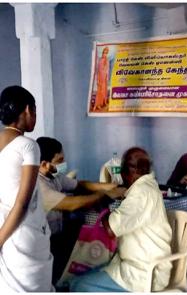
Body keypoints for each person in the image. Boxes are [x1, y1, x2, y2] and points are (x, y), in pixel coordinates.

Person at [70, 147, 172, 292]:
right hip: (133, 263)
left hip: (144, 272)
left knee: (79, 285)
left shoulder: (141, 193)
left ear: (130, 171)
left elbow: (111, 229)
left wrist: (102, 201)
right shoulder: (148, 185)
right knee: (77, 278)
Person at [36, 136, 122, 283]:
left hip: (57, 234)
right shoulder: (38, 185)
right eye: (59, 160)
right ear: (44, 164)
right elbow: (72, 204)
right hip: (43, 242)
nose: (64, 164)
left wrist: (109, 187)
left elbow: (80, 185)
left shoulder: (53, 176)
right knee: (52, 276)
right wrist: (104, 194)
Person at [0, 86, 53, 291]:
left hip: (4, 229)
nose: (35, 116)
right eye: (35, 111)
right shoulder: (28, 146)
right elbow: (22, 204)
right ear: (27, 110)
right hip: (24, 233)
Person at [93, 46, 110, 111]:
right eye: (104, 53)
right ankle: (97, 104)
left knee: (104, 91)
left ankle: (104, 102)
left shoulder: (107, 60)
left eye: (106, 53)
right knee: (99, 92)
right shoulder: (100, 60)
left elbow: (107, 70)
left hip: (105, 78)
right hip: (100, 78)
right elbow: (98, 71)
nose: (105, 54)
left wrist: (107, 77)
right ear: (102, 53)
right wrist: (97, 80)